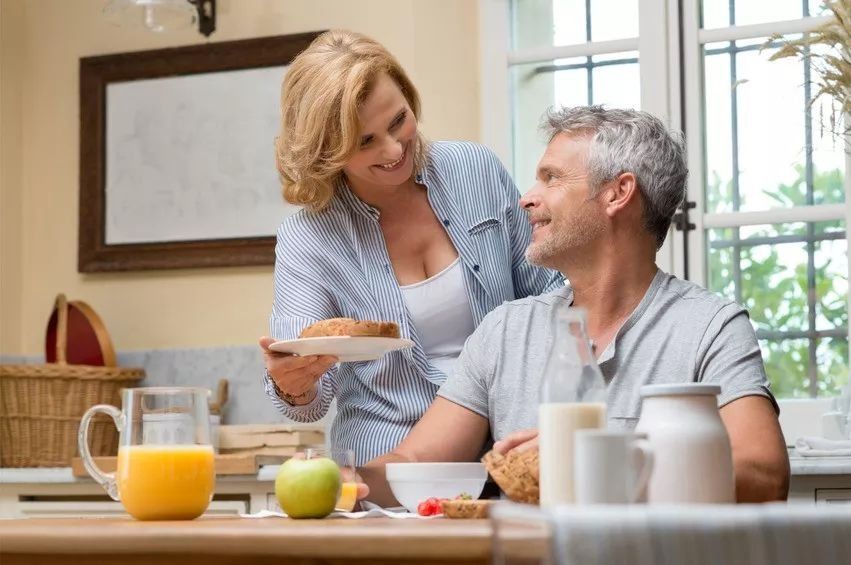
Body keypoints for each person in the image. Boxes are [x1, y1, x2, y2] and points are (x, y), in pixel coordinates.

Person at [362, 106, 790, 503]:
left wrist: (596, 463)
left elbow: (765, 474)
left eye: (551, 178)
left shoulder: (711, 328)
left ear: (618, 193)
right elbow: (414, 463)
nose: (526, 198)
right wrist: (344, 479)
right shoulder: (504, 331)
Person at [259, 30, 561, 465]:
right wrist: (293, 382)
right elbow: (308, 403)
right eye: (365, 142)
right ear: (328, 151)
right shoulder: (308, 238)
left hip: (510, 448)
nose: (394, 148)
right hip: (388, 466)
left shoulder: (474, 169)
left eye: (398, 120)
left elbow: (547, 297)